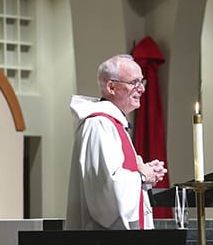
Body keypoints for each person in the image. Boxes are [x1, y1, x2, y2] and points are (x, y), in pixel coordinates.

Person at [66, 54, 167, 230]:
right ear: (111, 87)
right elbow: (107, 192)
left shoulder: (114, 124)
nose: (141, 89)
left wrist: (145, 176)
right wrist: (142, 176)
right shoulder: (99, 124)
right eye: (134, 82)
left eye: (142, 82)